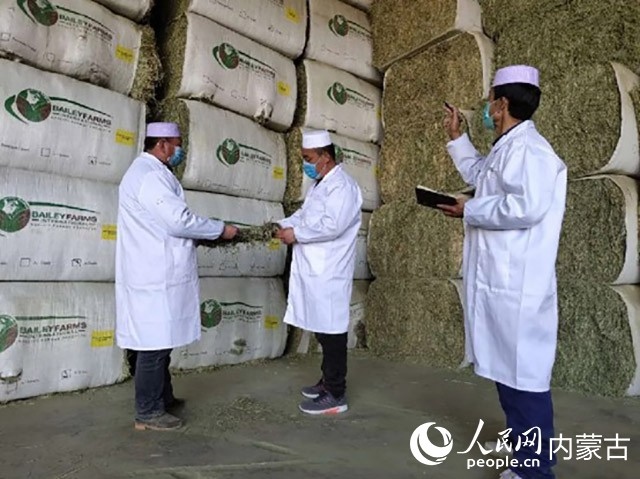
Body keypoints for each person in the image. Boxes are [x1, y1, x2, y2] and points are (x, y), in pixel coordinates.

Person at [440, 66, 567, 479]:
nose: (486, 107)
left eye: (490, 99)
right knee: (507, 376)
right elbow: (481, 175)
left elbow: (526, 207)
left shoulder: (532, 151)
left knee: (525, 380)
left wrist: (470, 208)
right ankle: (524, 456)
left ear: (502, 104)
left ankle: (536, 470)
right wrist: (457, 138)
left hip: (519, 288)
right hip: (500, 284)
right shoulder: (507, 148)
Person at [116, 122, 238, 431]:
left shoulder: (152, 173)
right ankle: (147, 412)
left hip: (155, 270)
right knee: (153, 345)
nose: (181, 149)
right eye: (178, 143)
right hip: (154, 274)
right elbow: (178, 221)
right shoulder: (149, 176)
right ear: (163, 144)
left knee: (160, 341)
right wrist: (219, 229)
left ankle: (163, 398)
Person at [275, 129, 362, 415]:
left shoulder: (343, 187)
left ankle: (336, 394)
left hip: (330, 270)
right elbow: (304, 215)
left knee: (332, 332)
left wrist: (296, 234)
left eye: (308, 159)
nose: (306, 164)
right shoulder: (319, 185)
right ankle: (327, 381)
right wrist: (281, 225)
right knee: (323, 330)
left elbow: (332, 225)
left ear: (325, 157)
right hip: (314, 269)